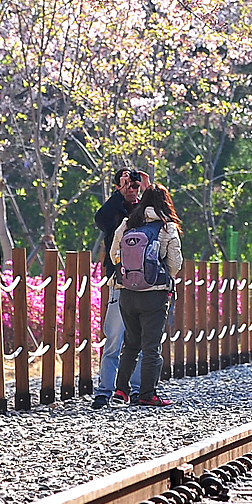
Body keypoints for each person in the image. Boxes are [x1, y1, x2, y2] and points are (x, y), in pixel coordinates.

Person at [108, 184, 183, 407]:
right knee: (151, 346)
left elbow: (114, 256)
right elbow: (175, 264)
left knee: (130, 344)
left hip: (127, 293)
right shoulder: (167, 227)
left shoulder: (128, 223)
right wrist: (158, 275)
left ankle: (121, 391)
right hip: (154, 296)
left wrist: (133, 274)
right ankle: (147, 394)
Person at [91, 168, 146, 409]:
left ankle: (136, 389)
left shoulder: (147, 209)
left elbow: (166, 218)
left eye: (134, 185)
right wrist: (119, 195)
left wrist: (148, 189)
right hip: (119, 281)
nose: (132, 189)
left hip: (146, 282)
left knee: (142, 339)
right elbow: (101, 220)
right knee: (114, 337)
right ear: (117, 187)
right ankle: (105, 390)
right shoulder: (113, 211)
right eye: (127, 184)